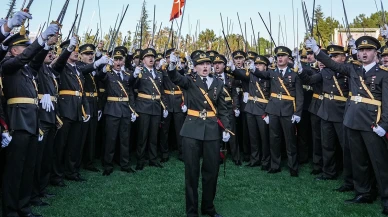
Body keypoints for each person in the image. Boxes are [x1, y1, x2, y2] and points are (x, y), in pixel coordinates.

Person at [305, 35, 388, 215]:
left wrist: (384, 124)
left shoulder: (383, 74)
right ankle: (363, 192)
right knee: (358, 161)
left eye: (368, 50)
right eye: (361, 50)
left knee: (379, 162)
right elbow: (333, 64)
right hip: (352, 120)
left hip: (372, 123)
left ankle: (386, 198)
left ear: (376, 53)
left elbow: (387, 102)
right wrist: (318, 51)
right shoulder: (353, 69)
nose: (364, 53)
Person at [1, 23, 59, 217]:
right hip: (18, 123)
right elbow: (26, 58)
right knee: (14, 171)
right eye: (24, 48)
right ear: (14, 50)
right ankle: (10, 210)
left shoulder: (27, 71)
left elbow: (35, 59)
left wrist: (45, 45)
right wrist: (40, 39)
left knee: (28, 168)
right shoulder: (7, 65)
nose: (27, 51)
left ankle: (24, 207)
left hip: (32, 123)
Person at [166, 51, 230, 217]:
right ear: (194, 68)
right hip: (192, 130)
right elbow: (175, 78)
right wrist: (172, 66)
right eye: (201, 64)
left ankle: (208, 208)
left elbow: (223, 108)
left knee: (211, 172)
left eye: (208, 64)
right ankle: (192, 211)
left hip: (212, 131)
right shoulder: (189, 80)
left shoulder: (218, 82)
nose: (205, 66)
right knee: (191, 173)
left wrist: (226, 129)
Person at [248, 46, 304, 177]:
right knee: (274, 139)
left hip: (288, 110)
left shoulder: (294, 74)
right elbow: (260, 73)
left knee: (290, 140)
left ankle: (293, 167)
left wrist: (297, 113)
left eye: (283, 56)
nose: (280, 58)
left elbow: (300, 96)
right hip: (273, 110)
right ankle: (275, 165)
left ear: (288, 58)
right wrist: (253, 68)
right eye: (278, 56)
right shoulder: (272, 73)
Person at [51, 37, 91, 186]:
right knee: (60, 145)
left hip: (77, 110)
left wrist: (86, 110)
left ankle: (71, 172)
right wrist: (66, 52)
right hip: (65, 109)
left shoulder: (77, 70)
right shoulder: (61, 66)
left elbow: (82, 91)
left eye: (76, 49)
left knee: (74, 144)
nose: (75, 52)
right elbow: (59, 63)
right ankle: (56, 175)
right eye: (72, 49)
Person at [229, 55, 271, 170]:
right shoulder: (251, 75)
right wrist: (233, 68)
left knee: (264, 137)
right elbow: (240, 74)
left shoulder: (269, 76)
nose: (257, 66)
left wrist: (268, 111)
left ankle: (266, 160)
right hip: (250, 108)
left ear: (266, 67)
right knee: (253, 137)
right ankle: (254, 159)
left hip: (263, 109)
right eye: (256, 64)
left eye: (260, 65)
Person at [100, 48, 137, 176]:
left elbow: (131, 92)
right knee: (110, 138)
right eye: (116, 59)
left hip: (125, 110)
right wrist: (105, 67)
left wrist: (133, 110)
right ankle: (108, 164)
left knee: (125, 139)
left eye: (120, 59)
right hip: (112, 109)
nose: (118, 62)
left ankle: (125, 164)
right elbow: (101, 77)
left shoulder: (127, 75)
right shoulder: (108, 73)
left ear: (124, 60)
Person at [130, 48, 167, 170]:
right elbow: (131, 86)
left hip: (156, 106)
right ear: (143, 60)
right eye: (147, 57)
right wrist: (135, 75)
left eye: (152, 57)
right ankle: (140, 160)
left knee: (154, 135)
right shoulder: (139, 72)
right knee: (142, 135)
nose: (151, 59)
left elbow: (162, 92)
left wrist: (164, 106)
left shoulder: (159, 73)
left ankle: (153, 159)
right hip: (143, 106)